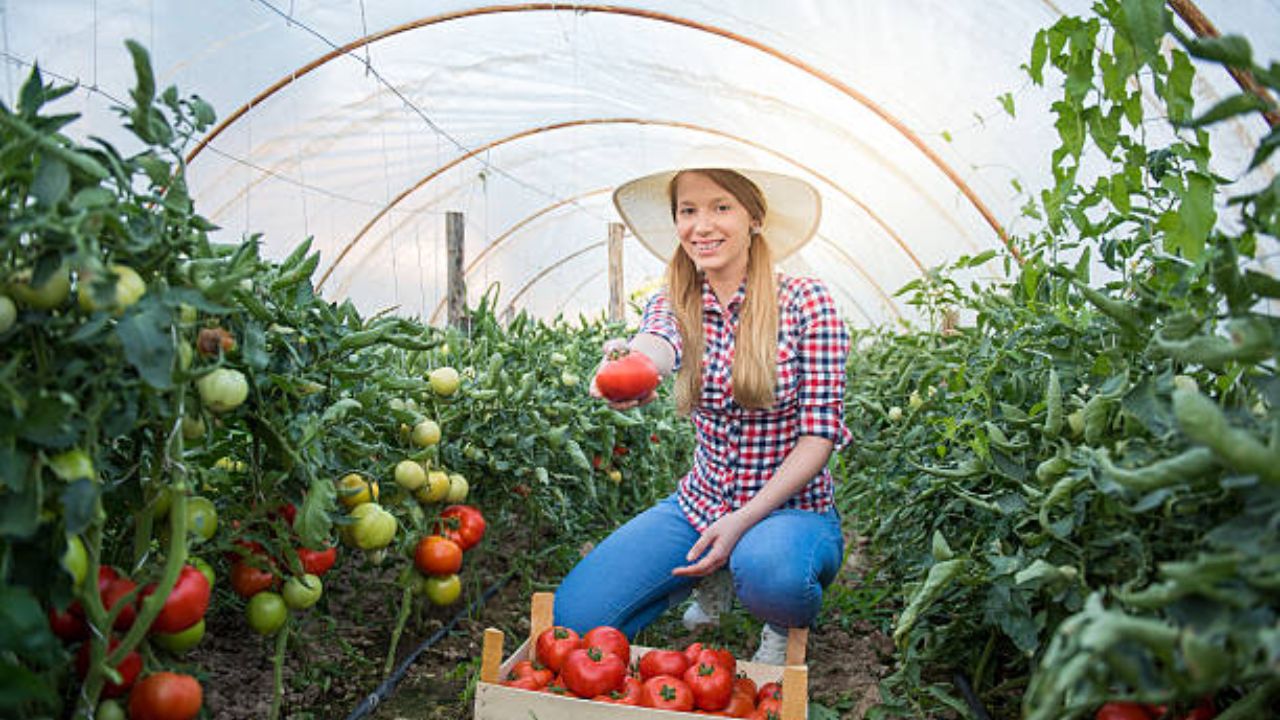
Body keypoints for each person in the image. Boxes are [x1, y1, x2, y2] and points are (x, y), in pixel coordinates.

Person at [553, 147, 851, 664]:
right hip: (700, 503)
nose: (701, 225)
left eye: (720, 207)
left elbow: (818, 439)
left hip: (790, 511)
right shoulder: (673, 299)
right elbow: (658, 344)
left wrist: (741, 522)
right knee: (576, 618)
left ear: (754, 218)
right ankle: (713, 571)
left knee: (773, 572)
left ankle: (778, 620)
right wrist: (630, 368)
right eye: (687, 210)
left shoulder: (807, 302)